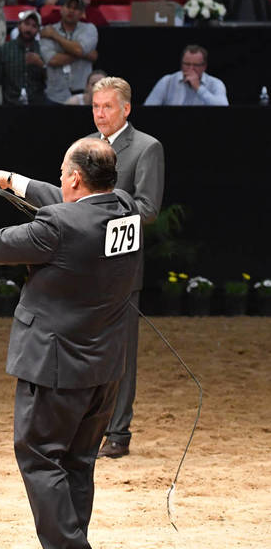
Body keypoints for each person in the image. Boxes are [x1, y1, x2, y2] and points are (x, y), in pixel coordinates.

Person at [0, 136, 144, 549]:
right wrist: (11, 181)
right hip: (104, 364)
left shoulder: (57, 225)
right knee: (76, 462)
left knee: (39, 457)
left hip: (56, 364)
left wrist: (32, 216)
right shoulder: (125, 208)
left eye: (63, 174)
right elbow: (74, 205)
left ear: (74, 178)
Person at [85, 77, 164, 459]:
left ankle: (118, 432)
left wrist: (101, 205)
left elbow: (148, 208)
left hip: (121, 265)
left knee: (121, 354)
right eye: (96, 106)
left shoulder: (147, 148)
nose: (100, 114)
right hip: (85, 264)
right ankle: (89, 427)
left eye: (107, 107)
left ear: (126, 109)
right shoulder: (84, 146)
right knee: (86, 348)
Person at [41, 0, 98, 105]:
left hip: (82, 94)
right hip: (54, 95)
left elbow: (79, 50)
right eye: (68, 6)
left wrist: (55, 36)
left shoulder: (89, 29)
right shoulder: (47, 29)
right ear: (61, 9)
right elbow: (52, 60)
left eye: (76, 8)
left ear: (82, 13)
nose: (71, 11)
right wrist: (85, 54)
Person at [0, 9, 46, 105]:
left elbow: (53, 84)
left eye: (34, 26)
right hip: (10, 106)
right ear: (19, 25)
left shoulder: (43, 50)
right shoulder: (4, 50)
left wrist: (41, 64)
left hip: (38, 107)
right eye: (26, 24)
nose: (29, 29)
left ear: (38, 30)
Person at [143, 44, 228, 106]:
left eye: (196, 65)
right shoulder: (167, 81)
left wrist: (198, 88)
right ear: (181, 64)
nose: (191, 69)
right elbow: (148, 108)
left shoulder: (215, 83)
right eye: (187, 64)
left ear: (204, 66)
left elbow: (223, 107)